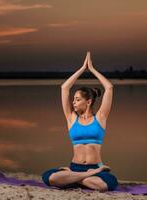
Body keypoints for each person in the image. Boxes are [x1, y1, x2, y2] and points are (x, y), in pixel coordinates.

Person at [41, 51, 118, 191]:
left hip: (95, 167)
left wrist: (92, 69)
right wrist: (82, 69)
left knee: (103, 185)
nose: (74, 103)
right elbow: (64, 88)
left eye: (77, 100)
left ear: (88, 102)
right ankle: (84, 176)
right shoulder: (71, 118)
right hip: (76, 167)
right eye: (73, 100)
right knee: (50, 177)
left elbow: (109, 87)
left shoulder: (100, 118)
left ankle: (74, 178)